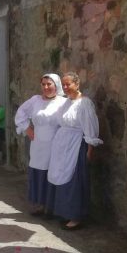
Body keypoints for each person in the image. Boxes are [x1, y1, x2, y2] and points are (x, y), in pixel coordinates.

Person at [46, 72, 102, 231]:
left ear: (77, 84)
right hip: (62, 146)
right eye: (63, 84)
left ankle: (76, 216)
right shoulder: (66, 103)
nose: (65, 87)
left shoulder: (84, 103)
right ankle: (64, 212)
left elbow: (90, 127)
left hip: (76, 145)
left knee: (74, 181)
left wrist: (90, 149)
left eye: (68, 84)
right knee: (61, 178)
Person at [13, 74, 67, 216]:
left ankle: (51, 207)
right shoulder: (35, 100)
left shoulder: (63, 103)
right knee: (38, 172)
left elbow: (68, 123)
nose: (46, 87)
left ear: (56, 85)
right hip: (37, 144)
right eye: (43, 84)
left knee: (52, 172)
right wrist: (27, 128)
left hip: (55, 144)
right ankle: (39, 204)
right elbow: (21, 113)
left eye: (49, 84)